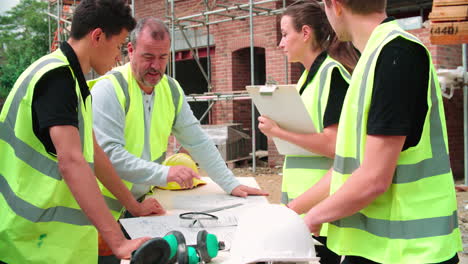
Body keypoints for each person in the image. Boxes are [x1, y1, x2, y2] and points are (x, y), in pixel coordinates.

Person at [288, 0, 463, 263]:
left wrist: (311, 218)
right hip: (379, 249)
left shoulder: (397, 55)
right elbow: (347, 169)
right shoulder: (373, 59)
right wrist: (291, 213)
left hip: (411, 252)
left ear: (335, 5)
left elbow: (373, 179)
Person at [0, 1, 166, 263]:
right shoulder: (57, 79)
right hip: (30, 244)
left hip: (46, 241)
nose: (119, 56)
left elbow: (94, 153)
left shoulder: (70, 80)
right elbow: (72, 162)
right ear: (98, 36)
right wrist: (119, 242)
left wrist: (134, 206)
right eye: (119, 45)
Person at [89, 17, 268, 220]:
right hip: (102, 209)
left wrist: (230, 183)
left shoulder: (171, 89)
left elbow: (197, 141)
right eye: (148, 57)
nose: (156, 66)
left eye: (163, 57)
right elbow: (109, 156)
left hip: (142, 204)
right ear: (130, 50)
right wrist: (164, 173)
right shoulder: (110, 89)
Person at [257, 1, 357, 263]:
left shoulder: (332, 75)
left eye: (284, 34)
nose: (281, 43)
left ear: (304, 33)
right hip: (305, 207)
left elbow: (334, 145)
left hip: (324, 209)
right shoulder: (305, 79)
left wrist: (280, 132)